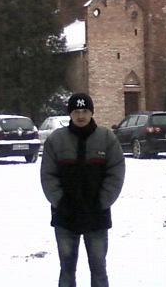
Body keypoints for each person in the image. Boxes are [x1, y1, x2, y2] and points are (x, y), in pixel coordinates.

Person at [40, 93, 126, 287]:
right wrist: (61, 202)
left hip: (97, 214)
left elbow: (116, 172)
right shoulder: (56, 140)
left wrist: (102, 202)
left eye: (85, 111)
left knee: (99, 268)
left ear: (91, 112)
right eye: (76, 111)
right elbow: (48, 175)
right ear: (70, 114)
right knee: (67, 269)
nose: (81, 116)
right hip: (65, 215)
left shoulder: (107, 138)